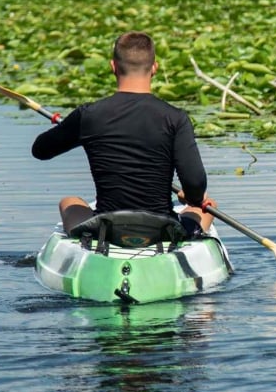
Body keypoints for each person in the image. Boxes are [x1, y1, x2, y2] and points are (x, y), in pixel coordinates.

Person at [32, 31, 213, 238]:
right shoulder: (176, 118)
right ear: (154, 68)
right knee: (207, 207)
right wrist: (190, 196)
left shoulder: (89, 115)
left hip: (107, 228)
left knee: (69, 202)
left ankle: (81, 240)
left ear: (113, 67)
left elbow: (40, 150)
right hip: (162, 229)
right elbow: (195, 183)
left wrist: (74, 130)